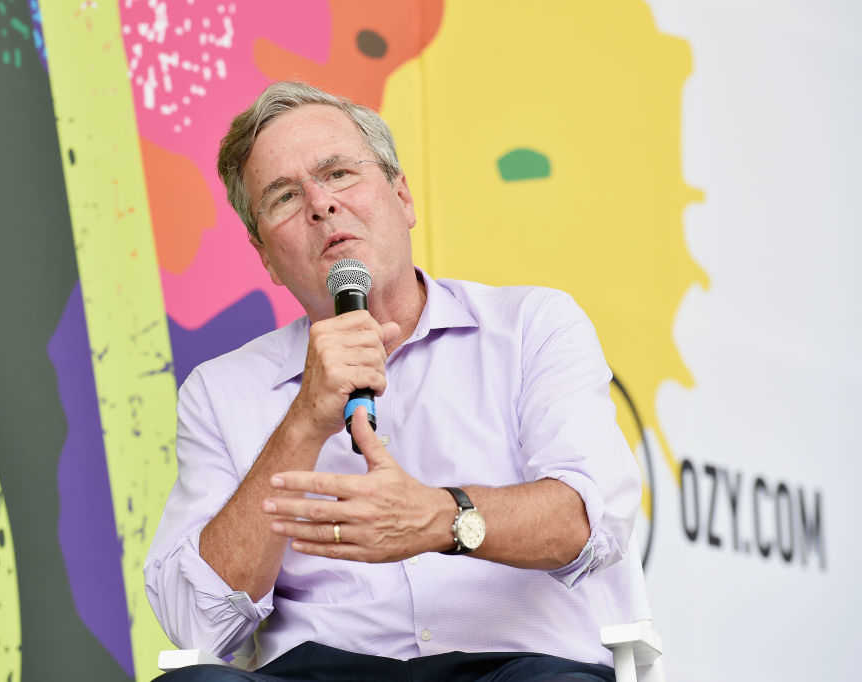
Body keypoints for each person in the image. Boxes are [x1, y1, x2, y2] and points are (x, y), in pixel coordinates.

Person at [144, 81, 650, 681]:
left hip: (516, 665)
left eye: (337, 173)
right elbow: (194, 621)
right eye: (283, 197)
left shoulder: (531, 327)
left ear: (403, 195)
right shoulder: (221, 391)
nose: (320, 205)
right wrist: (304, 418)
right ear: (266, 258)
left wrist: (440, 517)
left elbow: (589, 521)